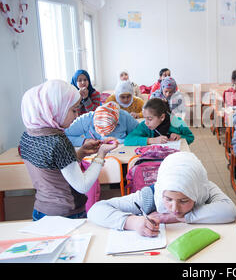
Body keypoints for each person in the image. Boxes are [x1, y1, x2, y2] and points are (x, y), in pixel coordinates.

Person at [19, 80, 118, 221]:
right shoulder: (58, 141)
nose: (77, 115)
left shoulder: (28, 136)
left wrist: (81, 153)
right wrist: (101, 153)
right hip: (66, 214)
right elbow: (83, 186)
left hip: (41, 212)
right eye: (73, 110)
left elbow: (53, 167)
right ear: (55, 109)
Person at [87, 152, 236, 235]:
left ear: (196, 192)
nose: (174, 208)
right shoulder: (151, 196)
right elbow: (96, 210)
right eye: (168, 199)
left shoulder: (205, 189)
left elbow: (230, 211)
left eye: (184, 201)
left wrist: (173, 218)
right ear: (161, 192)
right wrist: (132, 222)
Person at [124, 98, 194, 146]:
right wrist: (151, 140)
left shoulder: (177, 122)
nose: (146, 122)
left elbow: (190, 137)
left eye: (150, 119)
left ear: (162, 117)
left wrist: (180, 137)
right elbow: (127, 140)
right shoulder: (145, 125)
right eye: (145, 118)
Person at [65, 101, 139, 146]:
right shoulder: (85, 119)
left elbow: (140, 134)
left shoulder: (125, 117)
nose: (103, 136)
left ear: (116, 123)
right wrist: (83, 141)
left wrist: (119, 141)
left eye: (108, 132)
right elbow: (64, 137)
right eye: (99, 131)